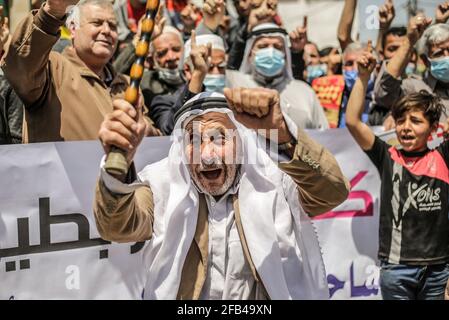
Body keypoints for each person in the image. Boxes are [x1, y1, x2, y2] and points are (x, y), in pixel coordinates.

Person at [94, 85, 350, 299]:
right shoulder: (162, 184)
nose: (206, 156)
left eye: (219, 139)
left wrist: (283, 134)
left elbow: (332, 191)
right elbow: (117, 227)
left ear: (241, 141)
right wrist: (119, 166)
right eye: (194, 140)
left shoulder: (275, 178)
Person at [345, 47, 449, 300]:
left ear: (433, 127)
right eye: (401, 120)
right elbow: (352, 121)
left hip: (439, 269)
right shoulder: (388, 156)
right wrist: (363, 77)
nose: (406, 128)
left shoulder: (443, 156)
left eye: (416, 121)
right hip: (397, 268)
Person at [2, 0, 159, 143]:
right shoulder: (52, 67)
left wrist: (144, 129)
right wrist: (52, 13)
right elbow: (20, 64)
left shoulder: (128, 84)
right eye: (97, 23)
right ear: (73, 29)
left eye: (112, 26)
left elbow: (153, 137)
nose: (106, 31)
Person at [226, 23, 329, 130]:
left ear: (285, 54)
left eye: (277, 47)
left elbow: (323, 137)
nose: (271, 52)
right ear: (249, 53)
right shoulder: (233, 84)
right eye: (263, 46)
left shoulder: (305, 92)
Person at [150, 32, 226, 135]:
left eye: (221, 66)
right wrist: (198, 75)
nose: (216, 73)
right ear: (187, 70)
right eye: (209, 68)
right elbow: (171, 131)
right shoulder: (166, 102)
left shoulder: (236, 98)